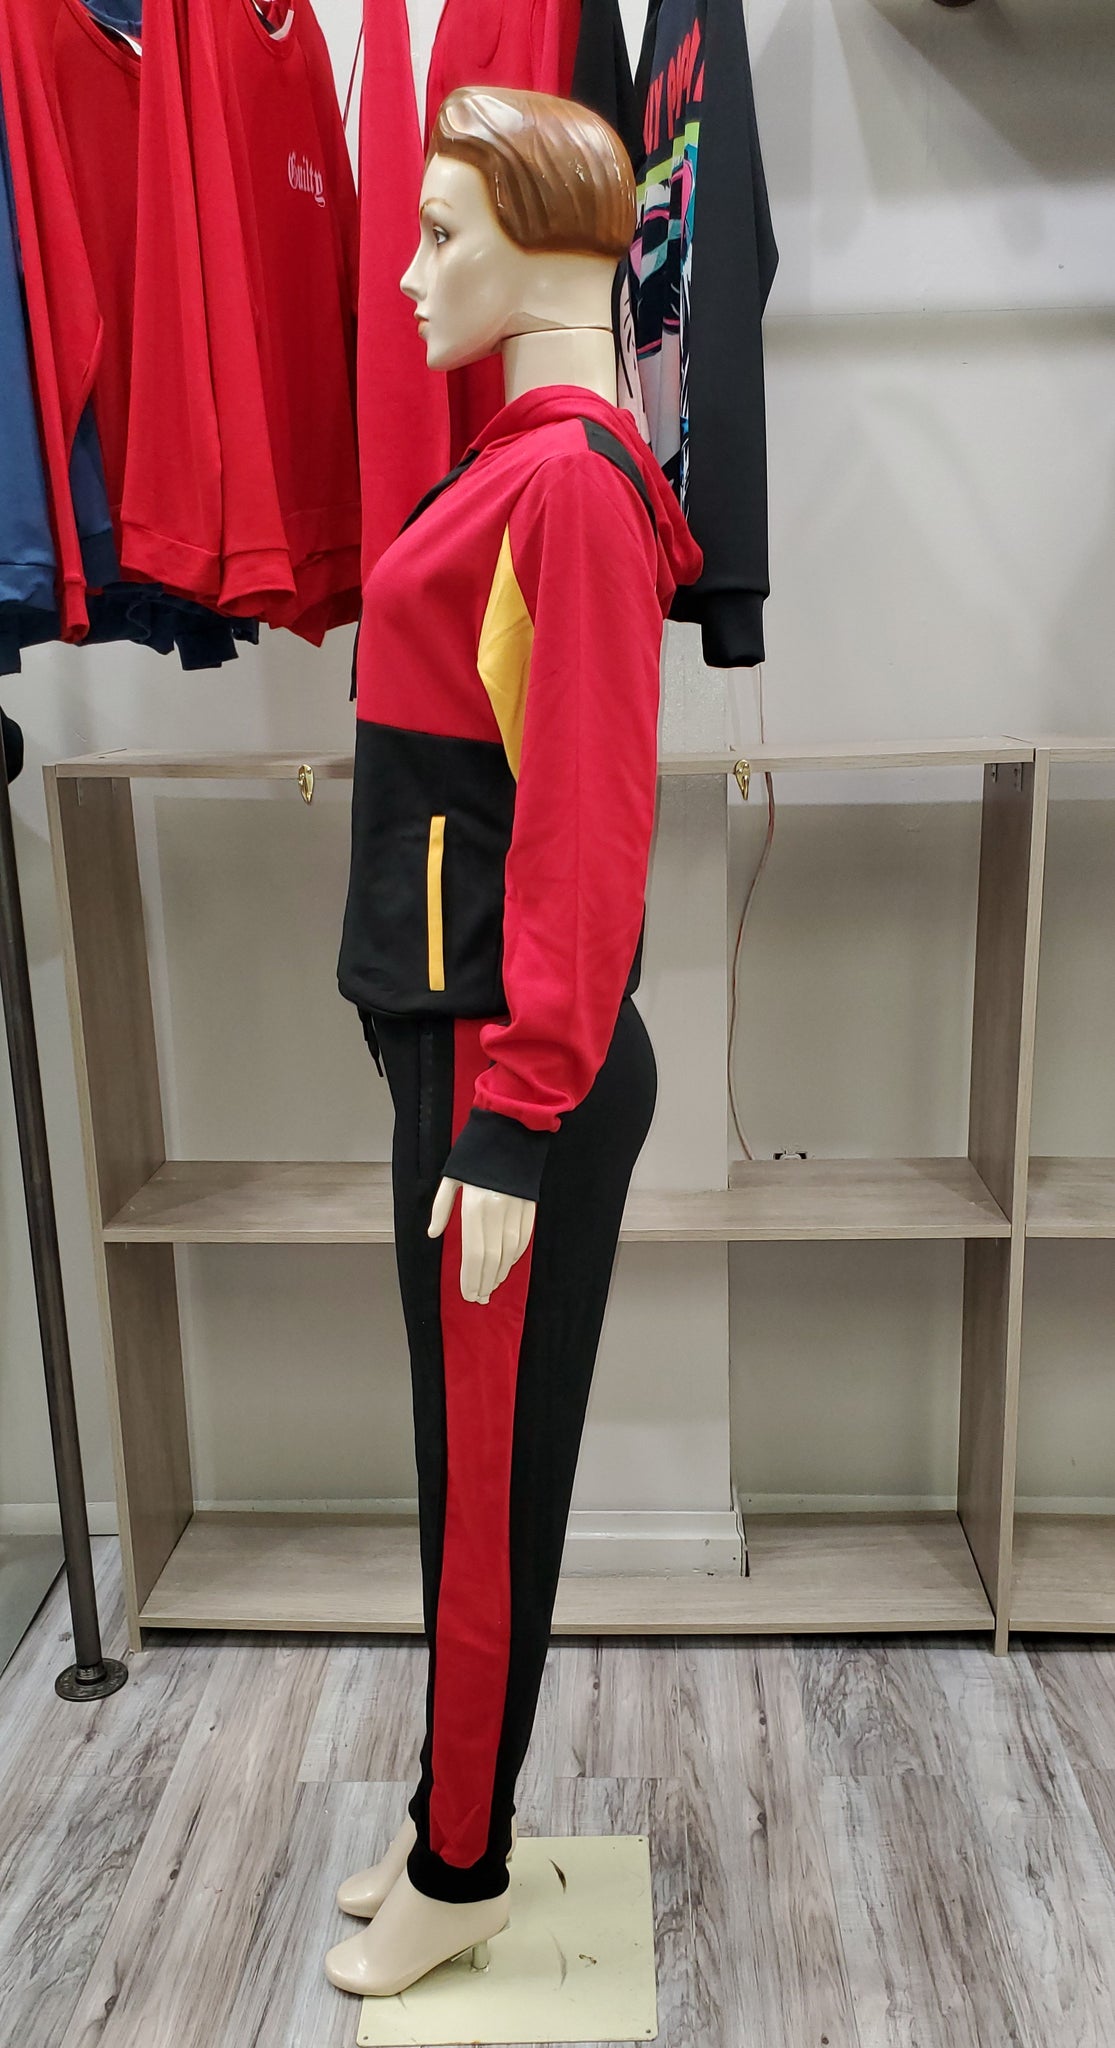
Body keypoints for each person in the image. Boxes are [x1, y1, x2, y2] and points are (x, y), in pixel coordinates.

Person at [327, 84, 702, 2001]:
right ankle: (440, 1818)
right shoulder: (524, 464)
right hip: (463, 1043)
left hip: (507, 1065)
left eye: (441, 237)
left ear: (552, 247)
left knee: (482, 1494)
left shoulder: (568, 487)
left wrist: (518, 1112)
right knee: (459, 1472)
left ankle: (461, 1863)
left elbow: (584, 819)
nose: (409, 277)